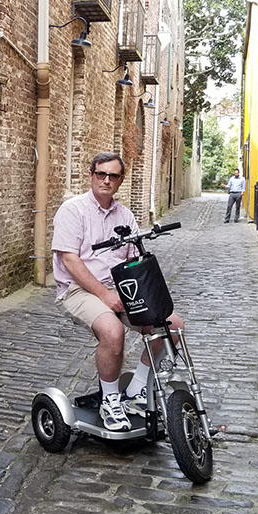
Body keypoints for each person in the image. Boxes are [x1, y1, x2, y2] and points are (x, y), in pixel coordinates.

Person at [52, 151, 184, 431]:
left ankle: (136, 389)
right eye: (101, 174)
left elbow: (130, 259)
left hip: (119, 288)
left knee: (170, 324)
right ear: (91, 175)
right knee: (113, 332)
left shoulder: (124, 214)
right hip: (78, 291)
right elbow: (70, 260)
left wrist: (144, 292)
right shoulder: (73, 210)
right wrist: (104, 294)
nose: (106, 180)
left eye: (113, 175)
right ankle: (110, 400)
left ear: (121, 180)